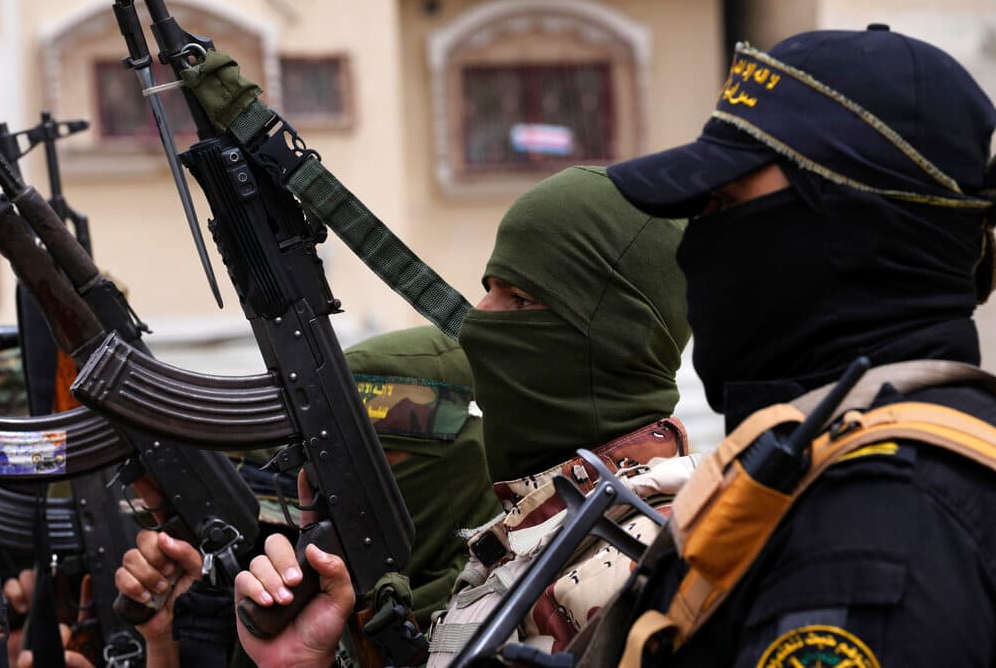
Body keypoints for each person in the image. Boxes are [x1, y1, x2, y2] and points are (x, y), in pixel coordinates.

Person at [598, 24, 996, 666]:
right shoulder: (816, 465)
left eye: (724, 203)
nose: (695, 245)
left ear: (855, 229)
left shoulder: (878, 518)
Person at [234, 163, 695, 666]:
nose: (478, 320)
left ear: (614, 340)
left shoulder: (647, 566)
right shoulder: (528, 542)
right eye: (489, 288)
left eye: (520, 299)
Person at [113, 325, 504, 667]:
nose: (337, 482)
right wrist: (167, 641)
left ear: (459, 466)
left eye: (371, 460)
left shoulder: (508, 614)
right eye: (326, 460)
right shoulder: (312, 615)